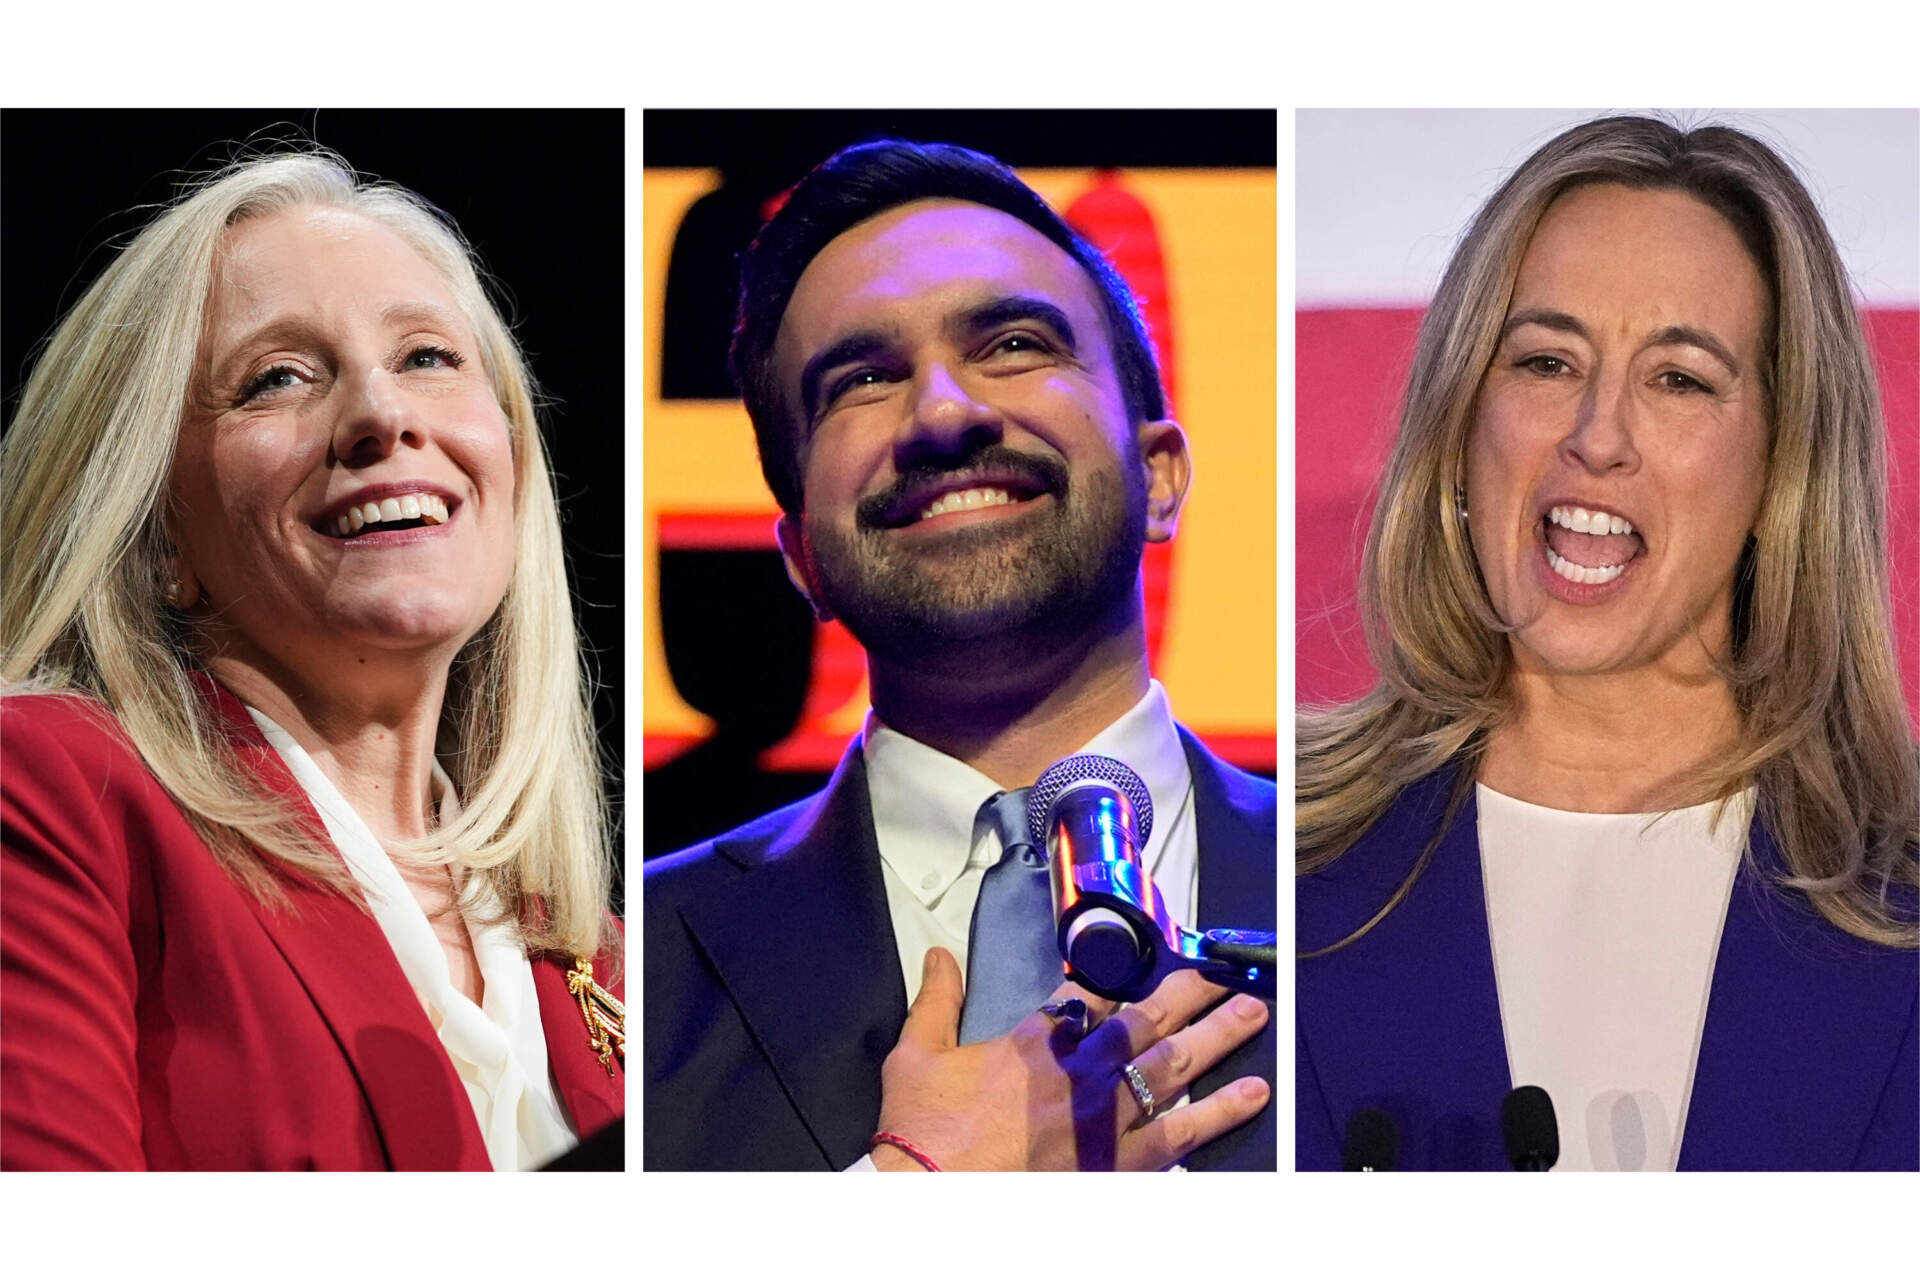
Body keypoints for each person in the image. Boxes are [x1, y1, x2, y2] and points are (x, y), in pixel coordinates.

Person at [1296, 116, 1918, 1171]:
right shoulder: (1281, 867)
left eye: (1679, 378)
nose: (1596, 435)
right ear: (1460, 423)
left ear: (1783, 468)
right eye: (1545, 360)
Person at [644, 140, 1277, 1171]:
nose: (944, 411)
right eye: (861, 378)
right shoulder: (636, 965)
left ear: (1159, 475)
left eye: (1017, 343)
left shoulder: (1361, 889)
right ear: (803, 552)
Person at [0, 150, 623, 1171]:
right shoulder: (55, 792)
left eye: (427, 356)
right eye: (275, 377)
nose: (384, 416)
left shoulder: (604, 958)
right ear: (157, 539)